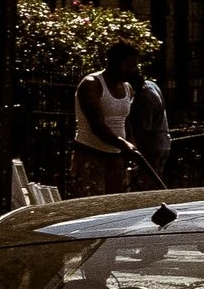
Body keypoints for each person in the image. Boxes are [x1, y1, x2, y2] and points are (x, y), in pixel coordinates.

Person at [71, 36, 170, 191]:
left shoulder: (127, 88)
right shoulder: (92, 84)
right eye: (129, 64)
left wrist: (132, 143)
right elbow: (97, 126)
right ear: (114, 61)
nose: (133, 69)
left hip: (115, 158)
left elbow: (125, 121)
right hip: (90, 155)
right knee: (93, 209)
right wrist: (124, 144)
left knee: (116, 209)